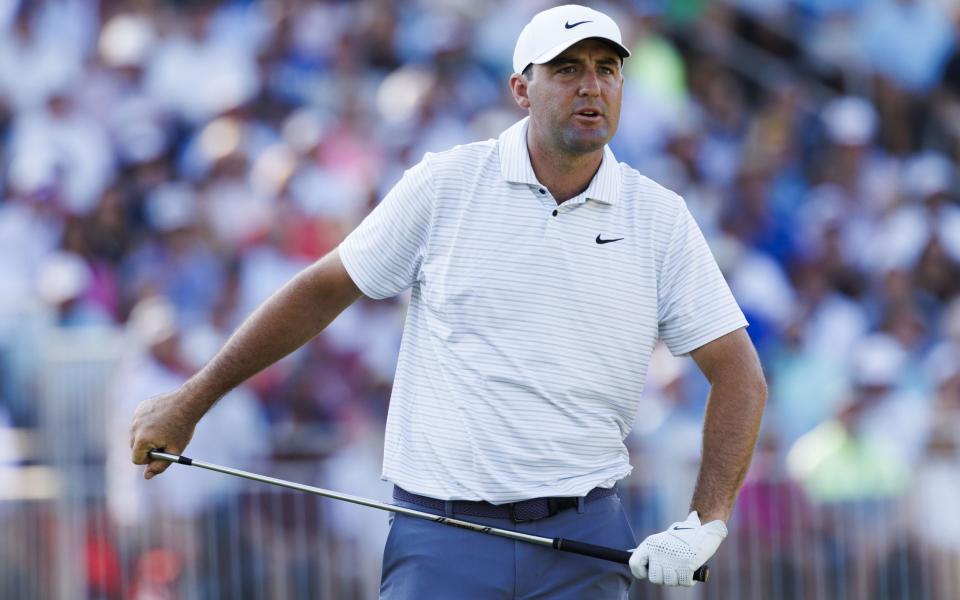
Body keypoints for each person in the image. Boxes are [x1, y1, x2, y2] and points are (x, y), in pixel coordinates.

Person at [129, 5, 767, 598]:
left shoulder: (660, 218)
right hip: (441, 534)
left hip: (587, 535)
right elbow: (323, 289)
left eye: (607, 70)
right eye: (567, 69)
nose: (591, 86)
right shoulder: (447, 183)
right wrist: (192, 400)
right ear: (521, 88)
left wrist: (706, 521)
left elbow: (739, 375)